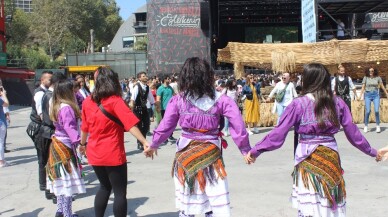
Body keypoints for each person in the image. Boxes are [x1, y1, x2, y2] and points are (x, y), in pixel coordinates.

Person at [247, 63, 379, 217]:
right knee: (330, 205)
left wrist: (255, 151)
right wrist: (372, 152)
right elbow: (353, 133)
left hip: (307, 158)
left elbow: (278, 134)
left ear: (308, 81)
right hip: (331, 158)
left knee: (311, 207)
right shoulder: (337, 102)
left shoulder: (298, 104)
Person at [144, 57, 252, 217]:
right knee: (213, 202)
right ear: (208, 75)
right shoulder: (221, 99)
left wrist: (153, 145)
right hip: (212, 155)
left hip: (186, 155)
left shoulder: (178, 100)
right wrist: (245, 150)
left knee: (188, 203)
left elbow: (166, 126)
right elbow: (238, 124)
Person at [80, 67, 149, 217]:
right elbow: (130, 124)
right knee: (119, 193)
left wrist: (82, 144)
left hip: (94, 152)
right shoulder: (115, 101)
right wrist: (144, 141)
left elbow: (84, 128)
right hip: (112, 153)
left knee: (104, 187)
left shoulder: (87, 102)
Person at [46, 79, 86, 217]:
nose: (75, 92)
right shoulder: (67, 107)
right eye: (72, 90)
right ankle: (67, 213)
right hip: (65, 146)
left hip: (57, 143)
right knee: (67, 181)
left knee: (60, 181)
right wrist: (81, 143)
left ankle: (60, 210)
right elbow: (70, 128)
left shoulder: (56, 104)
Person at [40, 72, 67, 201]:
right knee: (54, 164)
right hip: (51, 132)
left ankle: (51, 191)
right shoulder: (51, 97)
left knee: (51, 164)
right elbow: (52, 118)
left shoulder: (48, 95)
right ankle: (55, 193)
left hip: (48, 131)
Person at [28, 71, 53, 191]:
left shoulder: (46, 93)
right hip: (39, 128)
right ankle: (43, 184)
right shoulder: (39, 93)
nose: (51, 81)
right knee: (42, 157)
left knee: (46, 157)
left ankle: (46, 183)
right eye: (49, 79)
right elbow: (41, 114)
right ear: (42, 80)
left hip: (43, 127)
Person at [358, 67, 388, 133]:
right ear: (367, 71)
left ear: (374, 71)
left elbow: (382, 86)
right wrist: (360, 96)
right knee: (368, 111)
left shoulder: (378, 77)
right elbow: (363, 87)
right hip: (368, 95)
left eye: (372, 71)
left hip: (375, 95)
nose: (370, 72)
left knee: (377, 111)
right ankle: (366, 125)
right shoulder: (365, 77)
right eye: (369, 71)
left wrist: (386, 93)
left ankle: (378, 125)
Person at [130, 72, 155, 150]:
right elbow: (132, 99)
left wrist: (154, 106)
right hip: (137, 109)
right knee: (140, 126)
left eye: (145, 76)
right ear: (139, 78)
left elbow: (151, 99)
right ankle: (140, 143)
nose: (145, 77)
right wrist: (131, 111)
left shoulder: (147, 87)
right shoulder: (137, 87)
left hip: (144, 108)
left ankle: (142, 141)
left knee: (147, 125)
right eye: (143, 76)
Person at [156, 74, 176, 142]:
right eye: (168, 78)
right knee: (165, 123)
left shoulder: (170, 87)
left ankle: (170, 135)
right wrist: (158, 107)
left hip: (171, 108)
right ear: (164, 79)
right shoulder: (160, 88)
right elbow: (158, 99)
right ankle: (164, 137)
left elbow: (174, 95)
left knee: (171, 122)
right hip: (163, 108)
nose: (169, 80)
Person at [0, 86, 9, 167]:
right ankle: (1, 161)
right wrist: (4, 95)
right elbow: (6, 104)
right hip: (1, 123)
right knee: (1, 142)